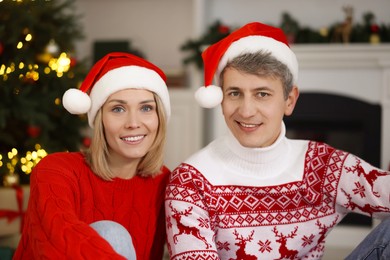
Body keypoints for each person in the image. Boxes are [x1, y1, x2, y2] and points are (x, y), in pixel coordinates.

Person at [164, 22, 390, 259]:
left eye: (262, 94)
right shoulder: (190, 183)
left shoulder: (323, 166)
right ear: (220, 99)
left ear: (289, 100)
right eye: (234, 93)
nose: (247, 111)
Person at [13, 52, 171, 260]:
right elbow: (58, 240)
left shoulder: (165, 182)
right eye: (118, 109)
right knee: (111, 234)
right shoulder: (55, 170)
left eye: (146, 108)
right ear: (99, 120)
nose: (133, 122)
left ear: (159, 117)